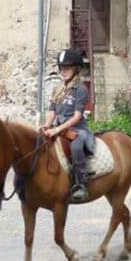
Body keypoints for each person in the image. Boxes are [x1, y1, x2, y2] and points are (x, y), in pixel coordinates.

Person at [41, 49, 93, 203]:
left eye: (68, 67)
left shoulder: (81, 89)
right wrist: (46, 125)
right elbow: (52, 110)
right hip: (58, 126)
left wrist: (57, 129)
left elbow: (77, 117)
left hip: (77, 129)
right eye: (62, 68)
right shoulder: (58, 89)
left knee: (76, 146)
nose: (64, 71)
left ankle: (81, 184)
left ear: (76, 68)